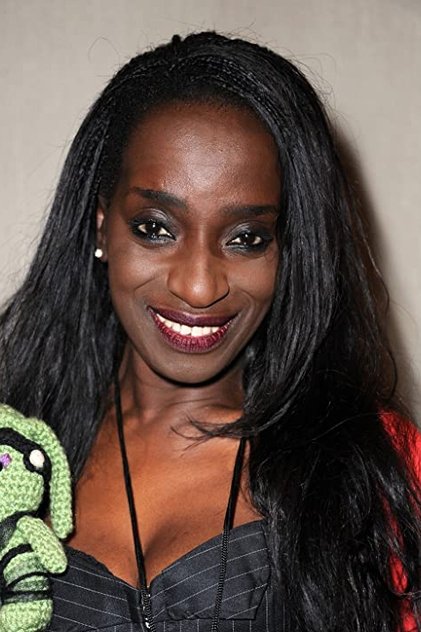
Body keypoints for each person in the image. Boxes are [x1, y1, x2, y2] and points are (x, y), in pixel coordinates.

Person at [0, 31, 419, 632]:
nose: (198, 287)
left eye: (247, 238)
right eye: (155, 228)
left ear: (289, 250)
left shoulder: (374, 468)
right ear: (100, 226)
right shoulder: (14, 454)